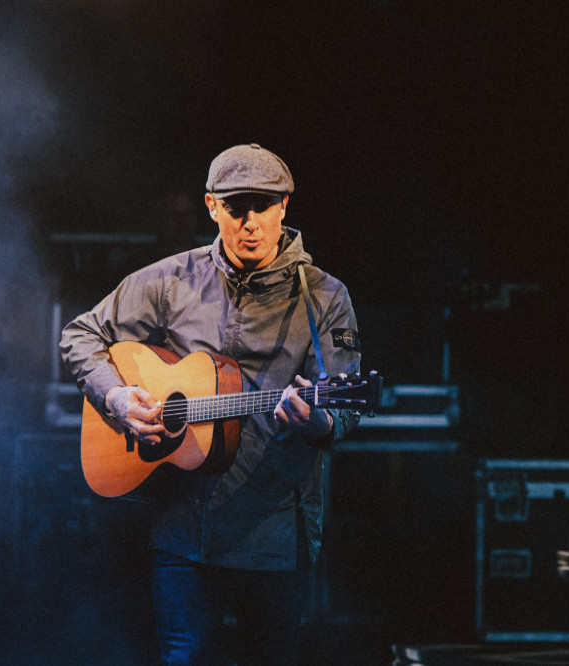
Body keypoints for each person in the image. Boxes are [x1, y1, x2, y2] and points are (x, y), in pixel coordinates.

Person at [59, 144, 362, 665]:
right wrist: (115, 396)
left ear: (284, 206)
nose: (250, 223)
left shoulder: (324, 297)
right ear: (211, 207)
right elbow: (81, 334)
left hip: (274, 536)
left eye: (262, 206)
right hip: (183, 531)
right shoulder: (171, 279)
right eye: (236, 207)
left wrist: (317, 420)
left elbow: (344, 406)